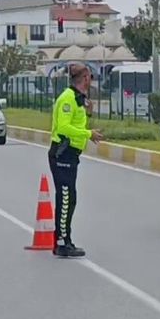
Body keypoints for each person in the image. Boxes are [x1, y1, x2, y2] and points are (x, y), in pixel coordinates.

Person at [49, 64, 103, 258]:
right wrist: (89, 133)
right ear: (86, 78)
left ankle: (64, 240)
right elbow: (63, 128)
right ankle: (62, 242)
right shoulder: (68, 99)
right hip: (62, 153)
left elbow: (76, 124)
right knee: (65, 198)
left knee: (70, 198)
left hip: (71, 154)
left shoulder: (79, 100)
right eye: (90, 78)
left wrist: (88, 114)